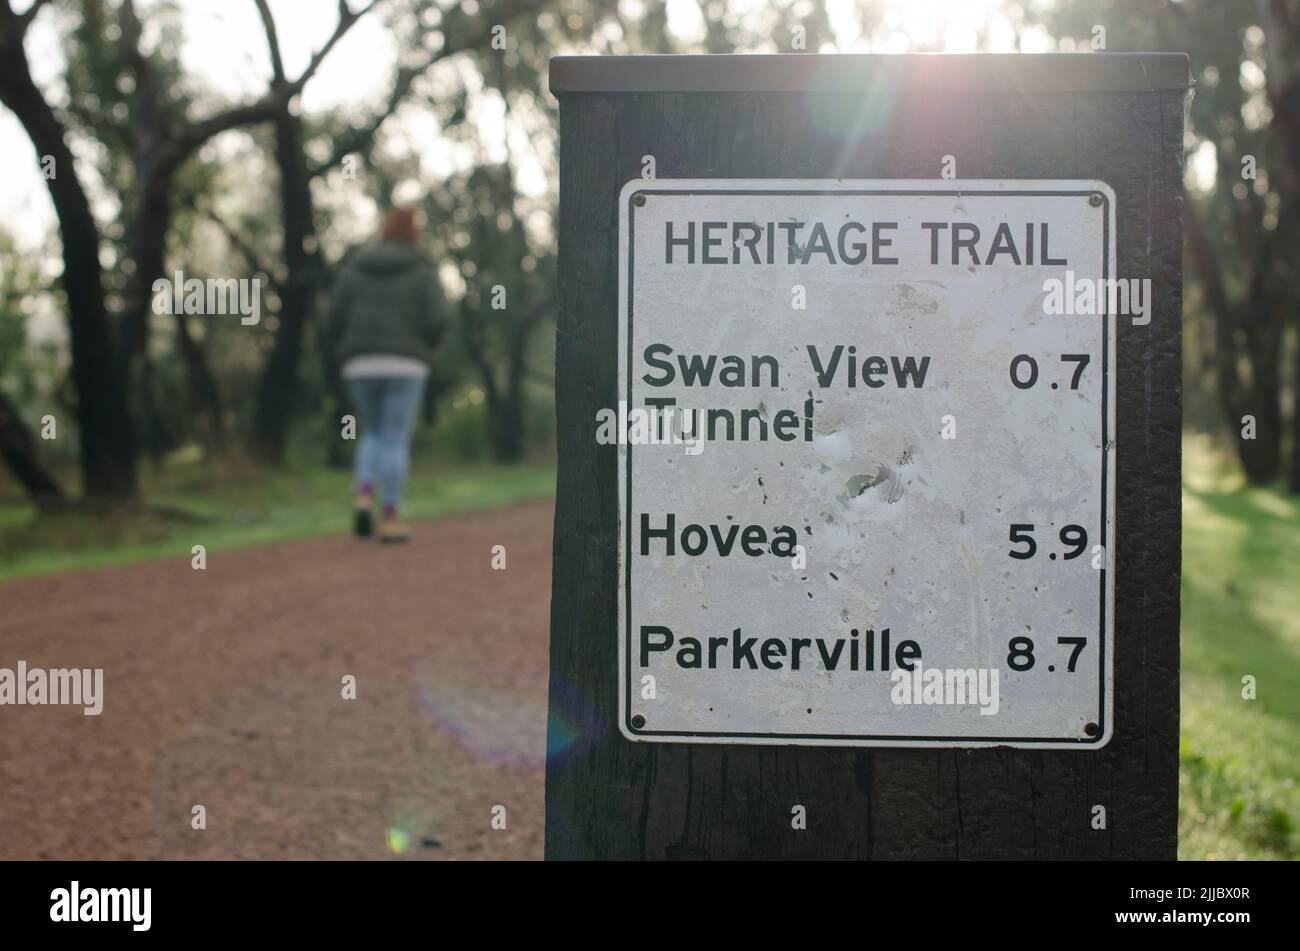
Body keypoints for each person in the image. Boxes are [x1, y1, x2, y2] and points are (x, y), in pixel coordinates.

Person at [328, 206, 446, 543]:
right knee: (395, 437)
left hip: (361, 364)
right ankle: (391, 516)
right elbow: (440, 317)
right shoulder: (422, 269)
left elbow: (333, 316)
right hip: (407, 364)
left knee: (372, 433)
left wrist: (349, 348)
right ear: (414, 232)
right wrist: (427, 346)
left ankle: (364, 495)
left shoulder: (355, 267)